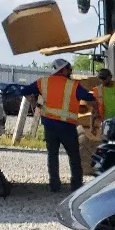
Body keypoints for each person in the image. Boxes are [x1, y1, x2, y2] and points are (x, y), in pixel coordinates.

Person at [20, 60, 99, 192]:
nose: (70, 71)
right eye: (68, 69)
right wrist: (96, 106)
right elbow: (89, 99)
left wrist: (34, 102)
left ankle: (54, 185)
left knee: (52, 155)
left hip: (49, 125)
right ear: (63, 70)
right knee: (74, 155)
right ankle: (76, 185)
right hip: (67, 126)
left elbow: (24, 90)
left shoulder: (43, 82)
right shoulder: (73, 85)